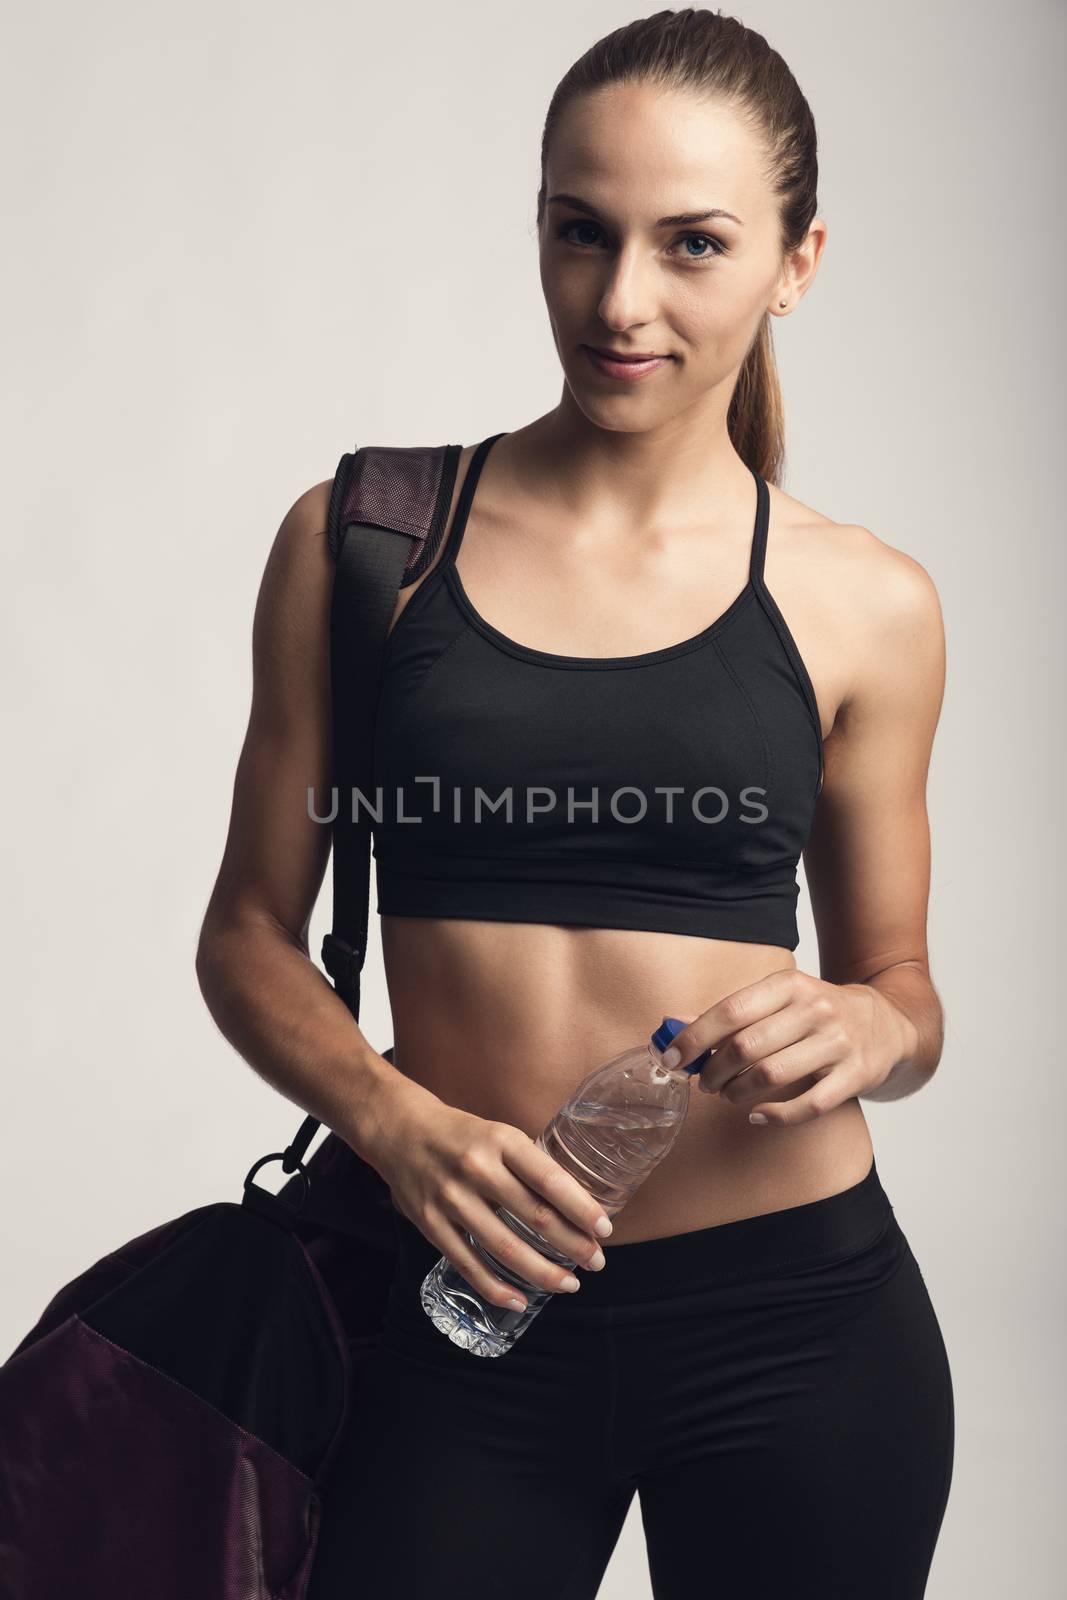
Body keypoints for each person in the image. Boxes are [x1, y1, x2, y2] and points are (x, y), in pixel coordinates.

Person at [196, 9, 953, 1597]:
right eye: (579, 233)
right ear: (537, 223)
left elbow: (905, 993)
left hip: (799, 1332)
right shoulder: (369, 542)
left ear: (797, 260)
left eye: (693, 245)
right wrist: (398, 1130)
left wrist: (868, 1031)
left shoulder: (865, 601)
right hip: (459, 1311)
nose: (621, 301)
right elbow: (249, 938)